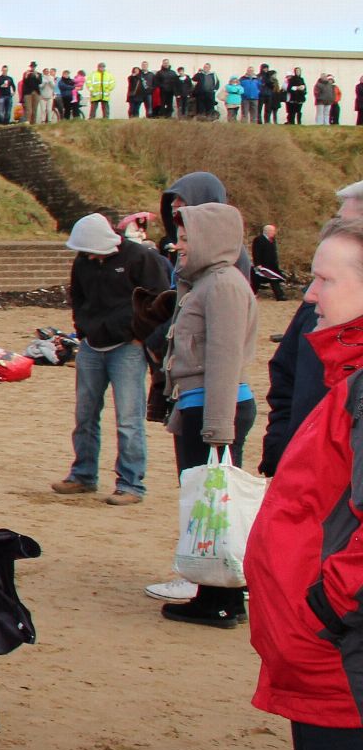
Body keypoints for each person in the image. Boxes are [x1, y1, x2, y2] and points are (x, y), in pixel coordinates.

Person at [239, 216, 363, 750]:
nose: (307, 293)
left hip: (343, 664)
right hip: (327, 656)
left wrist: (326, 605)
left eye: (325, 279)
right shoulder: (347, 374)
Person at [158, 198, 260, 629]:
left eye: (186, 238)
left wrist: (218, 427)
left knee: (216, 506)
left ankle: (221, 600)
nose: (178, 245)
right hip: (201, 405)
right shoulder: (206, 283)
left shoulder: (223, 286)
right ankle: (218, 596)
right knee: (207, 505)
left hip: (215, 407)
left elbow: (223, 358)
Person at [52, 213, 170, 504]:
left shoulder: (141, 258)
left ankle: (131, 484)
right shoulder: (83, 261)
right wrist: (82, 331)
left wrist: (141, 335)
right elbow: (78, 297)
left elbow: (161, 299)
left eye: (91, 250)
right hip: (92, 346)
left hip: (127, 347)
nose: (88, 256)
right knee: (85, 414)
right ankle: (83, 475)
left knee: (128, 419)